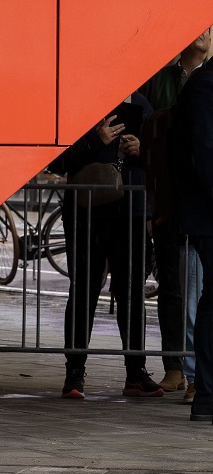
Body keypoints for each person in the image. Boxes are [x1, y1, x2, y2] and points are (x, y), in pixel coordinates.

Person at [54, 94, 163, 399]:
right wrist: (96, 140)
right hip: (86, 213)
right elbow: (57, 160)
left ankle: (136, 373)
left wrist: (141, 151)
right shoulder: (79, 101)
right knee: (84, 289)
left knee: (130, 292)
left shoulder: (142, 105)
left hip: (130, 212)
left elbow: (161, 157)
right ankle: (74, 373)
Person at [140, 27, 211, 400]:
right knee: (177, 285)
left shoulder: (200, 82)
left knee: (195, 289)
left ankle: (195, 373)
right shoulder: (168, 80)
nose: (202, 33)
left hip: (187, 199)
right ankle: (182, 368)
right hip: (178, 198)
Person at [172, 55, 213, 423]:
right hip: (208, 216)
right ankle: (206, 392)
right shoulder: (203, 86)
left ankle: (206, 391)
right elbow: (205, 154)